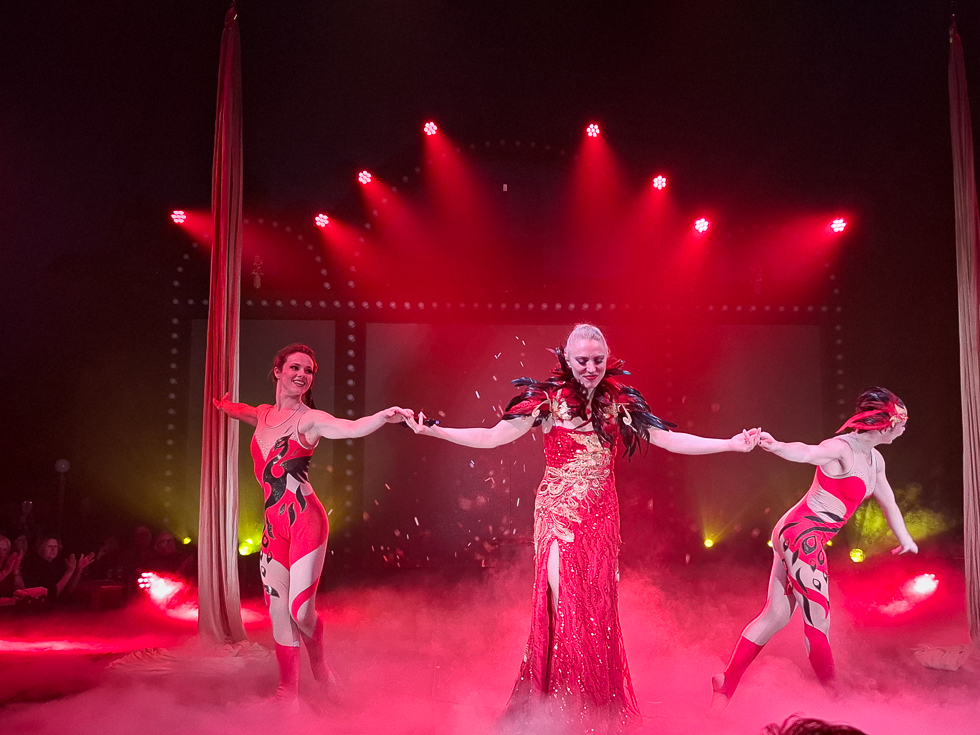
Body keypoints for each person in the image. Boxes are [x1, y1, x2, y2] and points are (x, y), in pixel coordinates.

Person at [408, 324, 759, 733]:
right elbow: (492, 437)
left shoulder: (618, 405)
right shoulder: (546, 402)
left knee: (596, 611)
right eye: (582, 361)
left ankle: (592, 708)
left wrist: (730, 444)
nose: (590, 368)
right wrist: (433, 429)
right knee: (566, 606)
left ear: (607, 359)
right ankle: (560, 708)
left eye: (597, 360)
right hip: (558, 517)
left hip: (602, 518)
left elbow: (669, 440)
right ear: (567, 360)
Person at [214, 343, 413, 703]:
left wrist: (383, 416)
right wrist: (224, 407)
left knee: (300, 612)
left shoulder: (311, 419)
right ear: (278, 371)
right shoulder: (262, 414)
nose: (302, 375)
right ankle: (286, 694)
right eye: (295, 367)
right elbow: (243, 411)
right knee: (278, 611)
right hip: (273, 528)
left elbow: (351, 428)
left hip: (306, 520)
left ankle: (320, 667)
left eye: (308, 371)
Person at [712, 387, 917, 707]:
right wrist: (776, 446)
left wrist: (905, 539)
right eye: (902, 424)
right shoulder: (841, 448)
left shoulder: (874, 460)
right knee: (818, 622)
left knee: (775, 616)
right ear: (886, 425)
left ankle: (726, 684)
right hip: (803, 535)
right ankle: (836, 702)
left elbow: (888, 501)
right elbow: (806, 452)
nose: (904, 430)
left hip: (797, 532)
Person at [19, 535, 95, 603]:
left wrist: (79, 569)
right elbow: (53, 594)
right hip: (42, 607)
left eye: (55, 546)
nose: (53, 549)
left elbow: (69, 590)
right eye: (49, 546)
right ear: (40, 549)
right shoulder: (36, 566)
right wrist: (69, 571)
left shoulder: (56, 564)